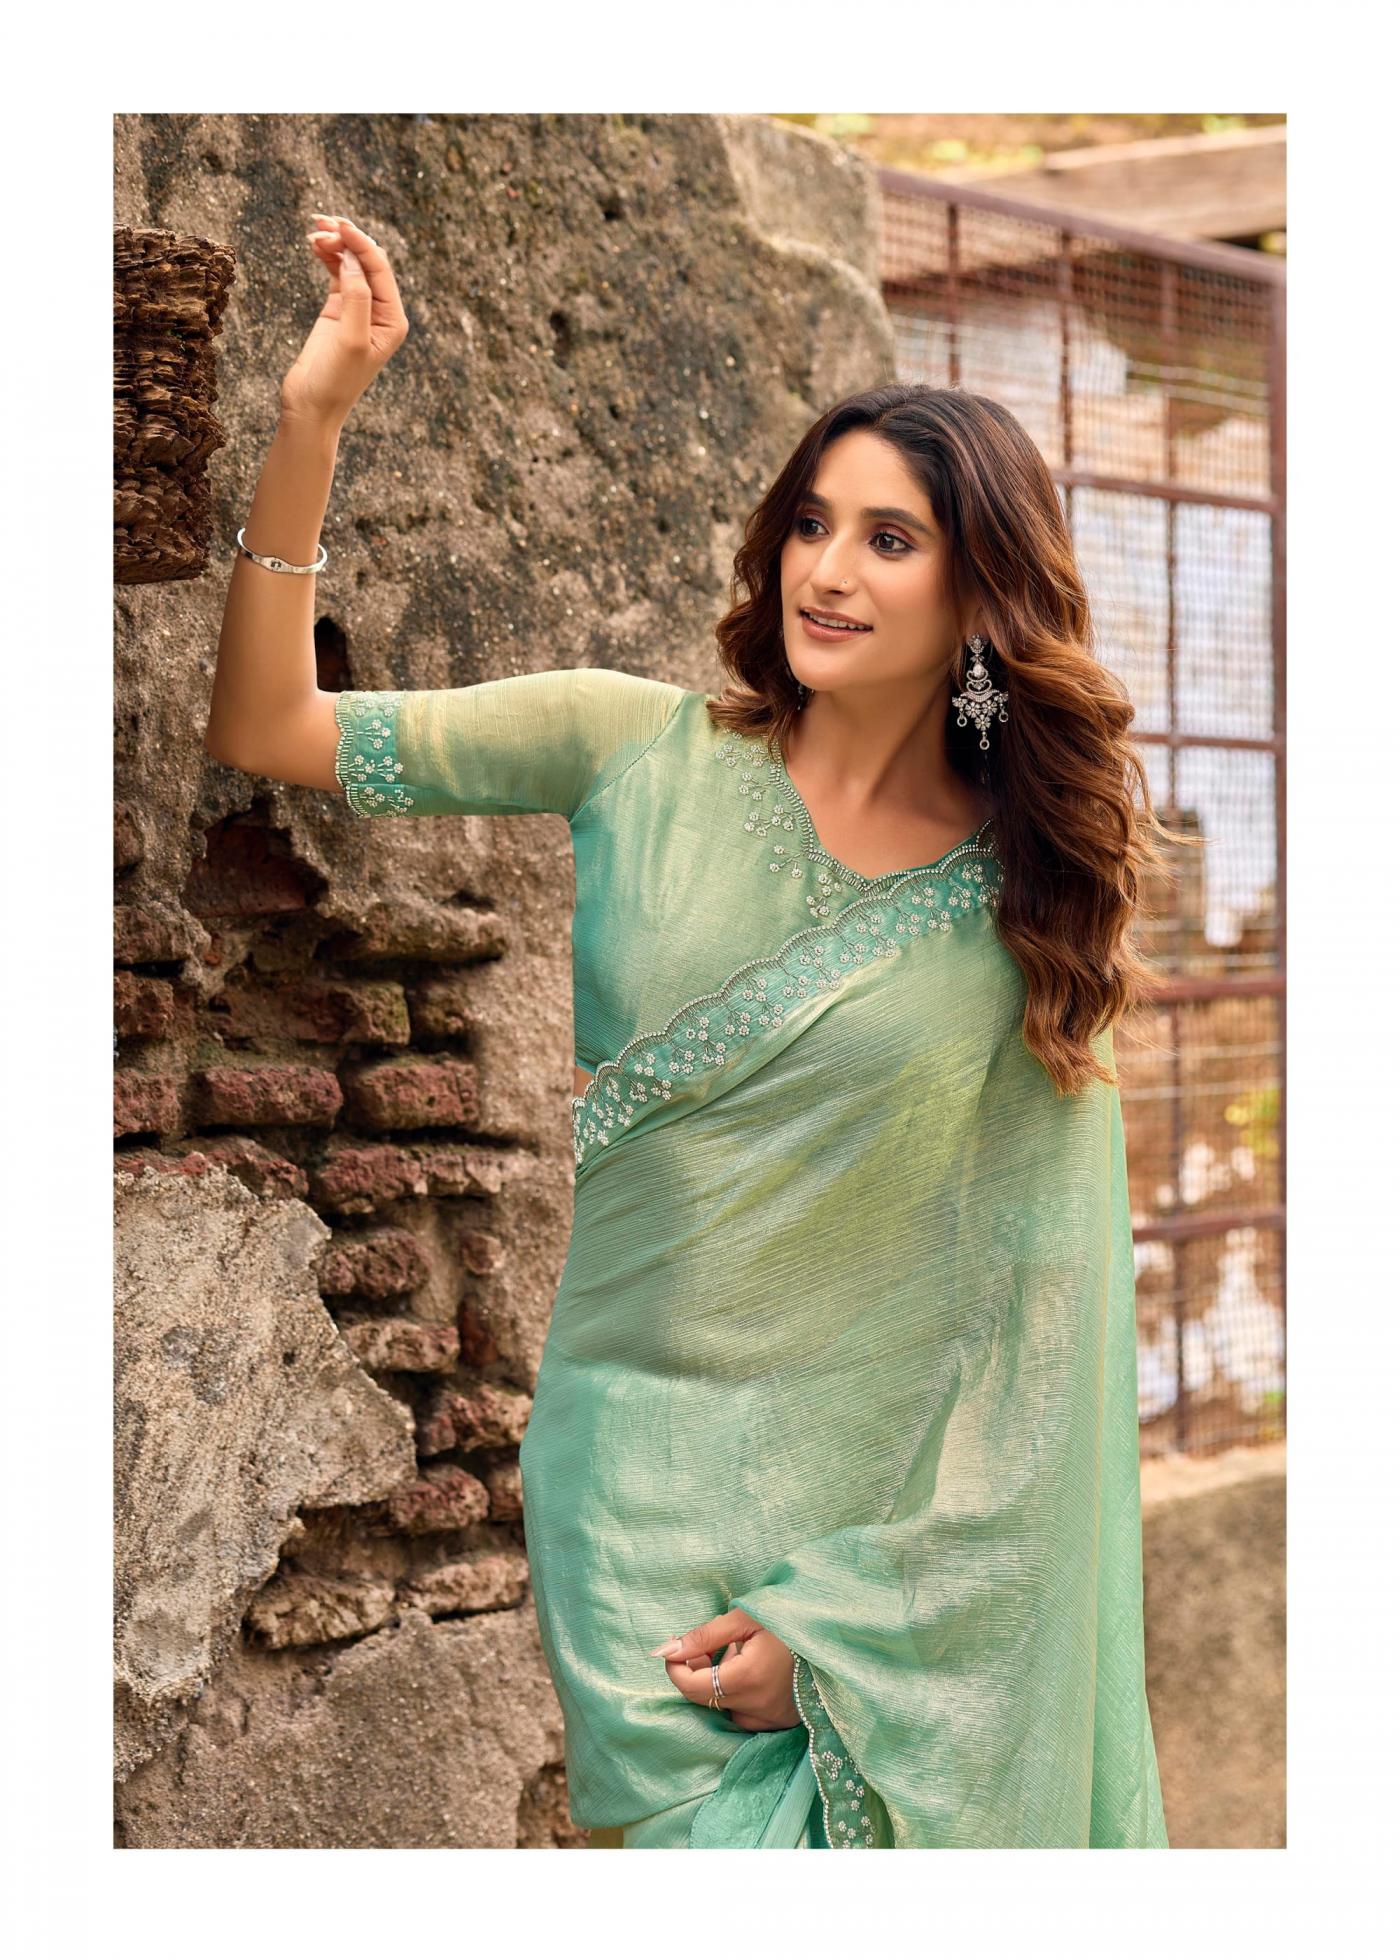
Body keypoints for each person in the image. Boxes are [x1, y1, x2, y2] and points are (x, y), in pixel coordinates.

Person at [204, 214, 1173, 1851]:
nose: (826, 571)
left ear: (981, 595)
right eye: (811, 523)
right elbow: (267, 724)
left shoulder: (1020, 921)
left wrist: (856, 1635)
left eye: (889, 540)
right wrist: (314, 417)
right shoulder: (626, 745)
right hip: (632, 1498)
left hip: (868, 1551)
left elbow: (1037, 1337)